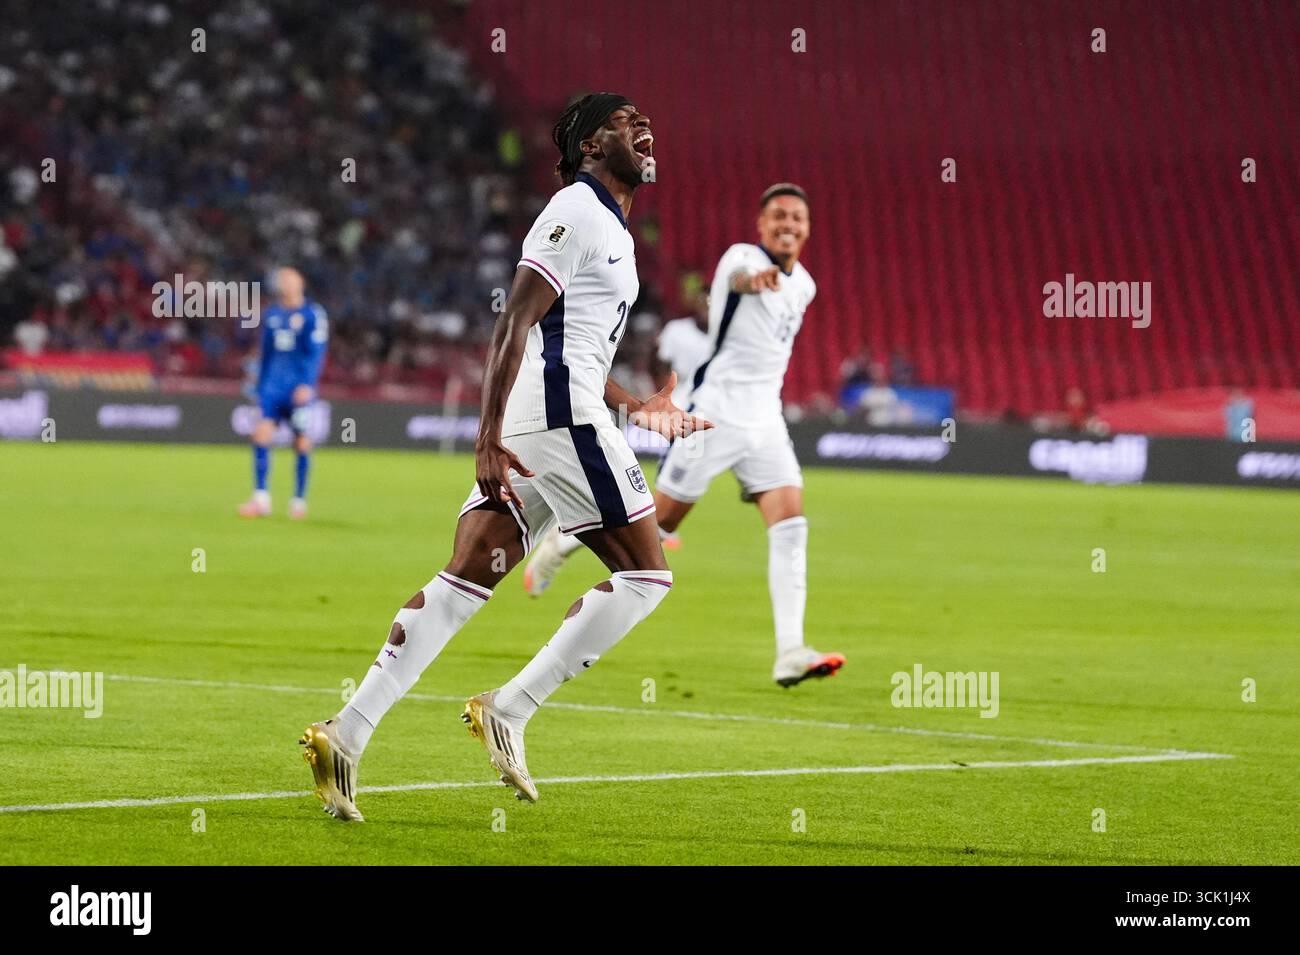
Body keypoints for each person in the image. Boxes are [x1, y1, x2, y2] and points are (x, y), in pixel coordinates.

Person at [299, 94, 711, 819]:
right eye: (623, 122)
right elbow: (514, 319)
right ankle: (511, 708)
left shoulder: (612, 225)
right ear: (589, 145)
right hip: (552, 418)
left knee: (463, 580)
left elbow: (570, 344)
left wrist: (635, 401)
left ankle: (347, 732)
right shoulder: (576, 210)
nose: (643, 128)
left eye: (648, 119)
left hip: (549, 413)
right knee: (646, 574)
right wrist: (485, 435)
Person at [525, 183, 845, 688]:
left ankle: (790, 652)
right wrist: (752, 280)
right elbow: (739, 281)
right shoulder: (740, 259)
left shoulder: (804, 284)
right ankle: (565, 542)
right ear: (762, 225)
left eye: (797, 218)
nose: (787, 224)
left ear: (807, 228)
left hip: (766, 422)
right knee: (655, 525)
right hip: (714, 414)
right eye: (778, 216)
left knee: (790, 528)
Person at [237, 267, 327, 519]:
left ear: (301, 283)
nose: (286, 284)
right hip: (271, 389)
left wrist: (307, 384)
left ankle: (298, 500)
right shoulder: (272, 314)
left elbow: (316, 353)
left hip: (298, 390)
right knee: (261, 434)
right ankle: (261, 499)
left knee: (300, 441)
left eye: (291, 279)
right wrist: (259, 386)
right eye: (283, 280)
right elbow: (265, 353)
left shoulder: (312, 314)